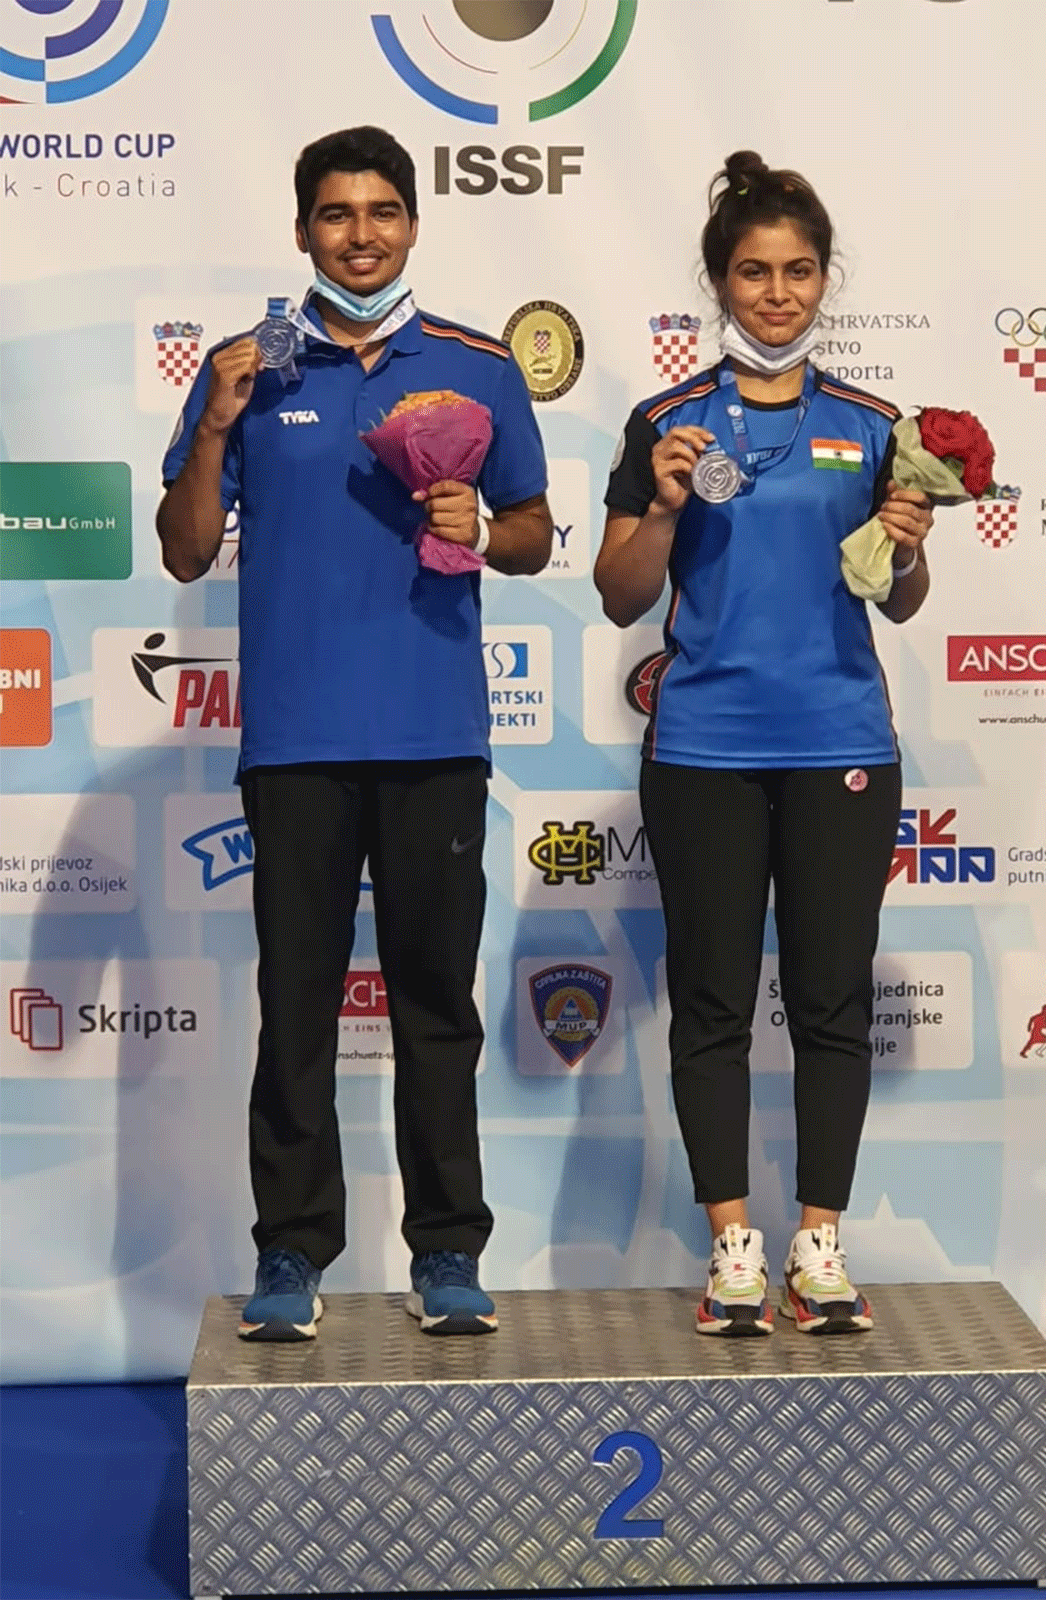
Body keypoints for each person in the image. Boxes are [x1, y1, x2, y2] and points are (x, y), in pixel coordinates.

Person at [157, 126, 552, 1341]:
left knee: (439, 1002)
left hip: (435, 734)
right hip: (296, 741)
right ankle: (292, 1253)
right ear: (302, 231)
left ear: (415, 225)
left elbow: (537, 531)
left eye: (383, 210)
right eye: (337, 214)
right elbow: (181, 546)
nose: (362, 233)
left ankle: (446, 1252)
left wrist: (479, 524)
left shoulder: (480, 367)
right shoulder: (246, 369)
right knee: (300, 1002)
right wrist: (219, 422)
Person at [595, 151, 933, 1337]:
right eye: (754, 272)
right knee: (714, 1003)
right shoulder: (665, 423)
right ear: (720, 283)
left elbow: (900, 600)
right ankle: (733, 1244)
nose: (778, 293)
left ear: (825, 281)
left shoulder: (877, 426)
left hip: (841, 738)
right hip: (703, 747)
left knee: (833, 997)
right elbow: (617, 589)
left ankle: (819, 1244)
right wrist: (668, 505)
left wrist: (905, 537)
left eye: (798, 272)